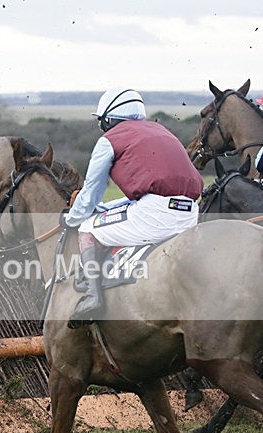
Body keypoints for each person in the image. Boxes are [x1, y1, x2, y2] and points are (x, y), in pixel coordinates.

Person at [62, 87, 203, 323]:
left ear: (108, 119)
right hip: (190, 212)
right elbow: (150, 191)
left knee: (87, 228)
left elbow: (90, 193)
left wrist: (72, 219)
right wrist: (107, 208)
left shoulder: (109, 140)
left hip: (156, 215)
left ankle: (92, 297)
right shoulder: (160, 130)